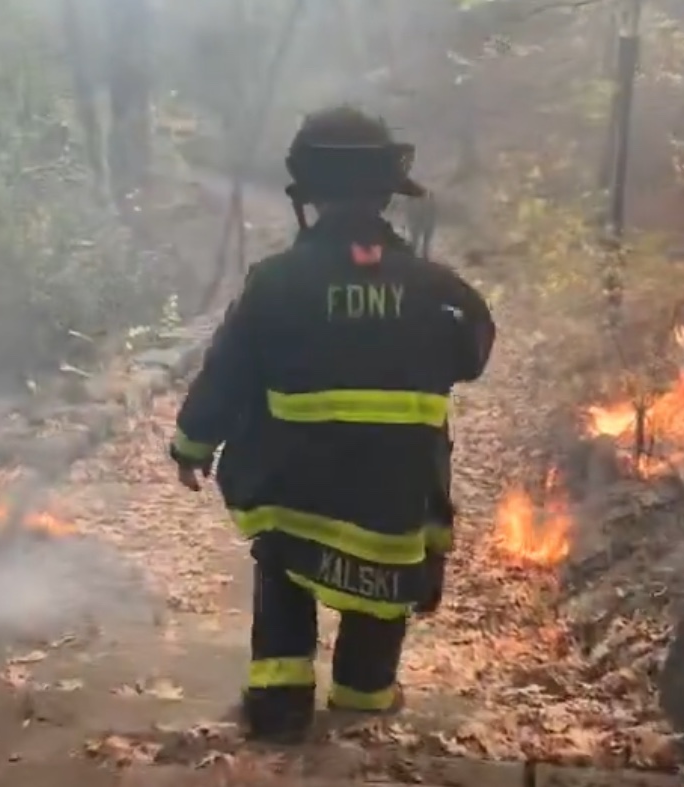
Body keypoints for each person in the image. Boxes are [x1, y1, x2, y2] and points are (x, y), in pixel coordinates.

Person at [168, 105, 496, 743]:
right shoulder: (439, 288)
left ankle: (279, 699)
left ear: (308, 195)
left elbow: (229, 370)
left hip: (297, 486)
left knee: (284, 570)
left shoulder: (275, 282)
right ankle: (364, 695)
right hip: (398, 491)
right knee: (384, 588)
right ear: (386, 194)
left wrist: (192, 442)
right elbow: (472, 356)